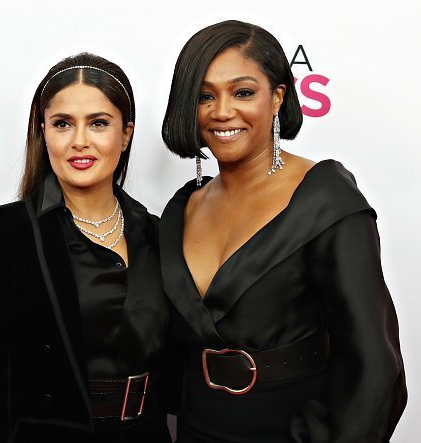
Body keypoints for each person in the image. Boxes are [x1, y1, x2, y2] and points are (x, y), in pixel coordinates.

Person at [159, 20, 406, 442]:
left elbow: (375, 367)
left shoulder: (325, 198)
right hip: (198, 427)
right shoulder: (182, 208)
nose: (222, 112)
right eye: (204, 96)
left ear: (277, 98)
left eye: (242, 92)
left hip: (293, 429)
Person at [0, 52, 172, 443]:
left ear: (125, 134)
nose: (79, 141)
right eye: (62, 124)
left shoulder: (161, 235)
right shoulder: (1, 236)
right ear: (43, 131)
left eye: (99, 123)